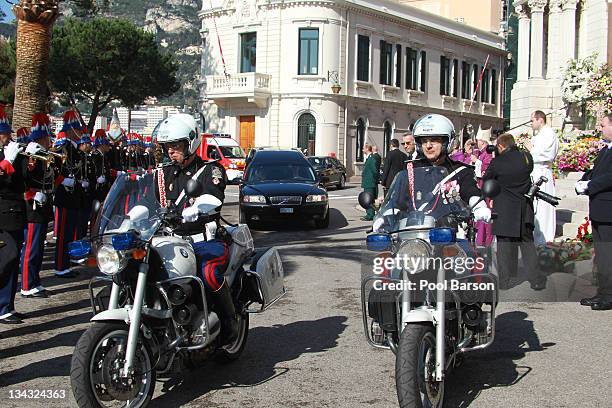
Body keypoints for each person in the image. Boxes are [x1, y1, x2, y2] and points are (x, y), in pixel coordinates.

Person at [154, 114, 238, 343]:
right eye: (167, 146)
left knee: (208, 273)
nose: (170, 151)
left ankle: (229, 320)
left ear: (190, 142)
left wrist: (198, 207)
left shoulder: (212, 170)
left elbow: (214, 195)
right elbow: (148, 202)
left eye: (176, 145)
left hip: (204, 240)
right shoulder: (163, 174)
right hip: (171, 242)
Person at [373, 113, 490, 230]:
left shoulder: (461, 171)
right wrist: (385, 216)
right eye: (424, 141)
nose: (428, 145)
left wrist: (480, 207)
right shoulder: (411, 169)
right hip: (413, 233)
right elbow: (397, 200)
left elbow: (471, 192)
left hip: (448, 234)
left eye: (434, 140)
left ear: (446, 142)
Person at [483, 133, 547, 291]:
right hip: (524, 206)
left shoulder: (497, 162)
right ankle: (536, 280)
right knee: (527, 244)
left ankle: (505, 281)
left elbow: (487, 179)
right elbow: (529, 170)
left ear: (501, 146)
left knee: (504, 244)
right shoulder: (526, 157)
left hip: (504, 207)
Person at [576, 113, 612, 310]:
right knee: (602, 255)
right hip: (600, 209)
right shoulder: (606, 150)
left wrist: (591, 185)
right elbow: (596, 171)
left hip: (609, 210)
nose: (600, 128)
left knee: (609, 254)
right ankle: (603, 291)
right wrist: (584, 179)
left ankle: (609, 294)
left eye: (604, 124)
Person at [19, 113, 56, 298]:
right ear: (41, 137)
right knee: (31, 248)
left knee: (38, 247)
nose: (49, 141)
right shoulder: (30, 154)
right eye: (47, 137)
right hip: (32, 207)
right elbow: (23, 181)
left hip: (42, 204)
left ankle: (35, 280)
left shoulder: (42, 153)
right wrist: (34, 194)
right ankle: (26, 284)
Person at [0, 104, 28, 323]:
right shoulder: (5, 157)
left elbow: (21, 182)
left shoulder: (12, 153)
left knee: (12, 260)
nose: (6, 138)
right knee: (6, 258)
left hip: (15, 213)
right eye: (3, 134)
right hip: (3, 213)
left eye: (7, 133)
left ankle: (6, 305)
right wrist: (7, 162)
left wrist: (29, 163)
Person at [53, 110, 86, 278]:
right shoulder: (62, 148)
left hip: (74, 198)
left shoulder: (77, 151)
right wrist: (62, 180)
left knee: (70, 233)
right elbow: (52, 171)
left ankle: (66, 263)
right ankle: (60, 266)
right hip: (65, 197)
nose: (80, 132)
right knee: (63, 235)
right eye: (77, 129)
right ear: (69, 131)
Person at [526, 110, 559, 246]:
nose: (531, 123)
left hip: (543, 174)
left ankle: (545, 239)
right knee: (536, 209)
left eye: (532, 120)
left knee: (543, 208)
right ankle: (536, 237)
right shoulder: (539, 135)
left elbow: (548, 155)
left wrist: (531, 150)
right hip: (535, 172)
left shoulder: (549, 134)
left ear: (540, 119)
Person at [473, 126, 494, 247]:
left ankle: (485, 240)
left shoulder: (488, 152)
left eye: (478, 141)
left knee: (486, 214)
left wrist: (477, 162)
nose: (477, 143)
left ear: (482, 141)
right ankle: (480, 238)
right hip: (481, 185)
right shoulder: (481, 153)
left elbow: (488, 168)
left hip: (486, 186)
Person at [360, 144, 379, 221]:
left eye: (363, 148)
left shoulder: (371, 158)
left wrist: (374, 180)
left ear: (367, 149)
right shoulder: (369, 158)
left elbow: (375, 171)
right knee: (368, 198)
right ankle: (369, 214)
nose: (362, 150)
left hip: (370, 182)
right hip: (368, 182)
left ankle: (370, 215)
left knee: (369, 198)